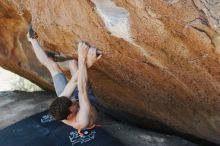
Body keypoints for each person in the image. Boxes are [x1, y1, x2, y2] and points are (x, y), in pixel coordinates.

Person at [27, 28, 102, 136]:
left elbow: (73, 83)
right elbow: (82, 91)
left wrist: (87, 63)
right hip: (87, 101)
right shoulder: (82, 120)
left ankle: (32, 39)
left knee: (53, 66)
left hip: (76, 101)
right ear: (69, 115)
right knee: (74, 64)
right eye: (71, 102)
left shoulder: (62, 103)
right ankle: (72, 63)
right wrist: (82, 57)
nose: (72, 97)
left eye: (68, 98)